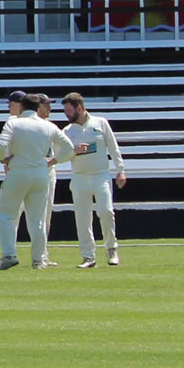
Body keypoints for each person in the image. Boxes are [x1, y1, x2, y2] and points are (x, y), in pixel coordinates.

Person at [0, 92, 74, 270]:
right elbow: (69, 148)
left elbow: (0, 145)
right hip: (40, 174)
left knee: (6, 215)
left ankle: (9, 255)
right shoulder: (48, 126)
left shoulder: (13, 122)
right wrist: (54, 161)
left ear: (21, 107)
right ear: (38, 108)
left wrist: (4, 159)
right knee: (37, 219)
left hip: (18, 172)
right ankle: (38, 260)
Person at [58, 92, 126, 267]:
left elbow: (113, 146)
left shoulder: (100, 122)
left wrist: (120, 170)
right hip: (80, 177)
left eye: (68, 110)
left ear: (79, 108)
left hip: (101, 175)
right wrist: (74, 151)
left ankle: (112, 250)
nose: (66, 114)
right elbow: (60, 157)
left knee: (106, 211)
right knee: (82, 218)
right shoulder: (67, 131)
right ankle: (88, 256)